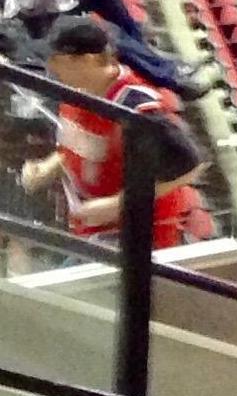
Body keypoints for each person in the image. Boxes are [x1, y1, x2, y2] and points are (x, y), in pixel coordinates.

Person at [19, 14, 202, 247]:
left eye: (57, 59)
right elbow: (76, 145)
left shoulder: (134, 107)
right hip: (90, 230)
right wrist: (48, 167)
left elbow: (189, 166)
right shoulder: (76, 91)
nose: (51, 66)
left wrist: (118, 205)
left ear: (86, 60)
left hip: (136, 238)